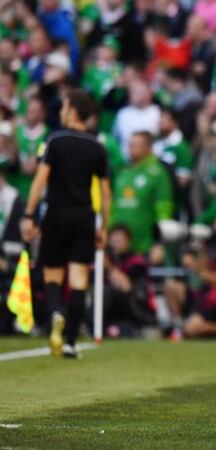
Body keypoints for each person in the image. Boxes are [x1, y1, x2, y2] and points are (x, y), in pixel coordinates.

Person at [19, 89, 111, 358]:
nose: (60, 112)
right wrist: (103, 226)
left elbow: (40, 180)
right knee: (80, 278)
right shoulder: (97, 147)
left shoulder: (55, 141)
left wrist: (28, 214)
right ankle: (71, 342)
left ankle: (57, 313)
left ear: (72, 111)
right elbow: (105, 193)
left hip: (57, 214)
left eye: (64, 107)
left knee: (52, 275)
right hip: (84, 216)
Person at [164, 210, 216, 343]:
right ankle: (180, 327)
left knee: (192, 328)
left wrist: (194, 266)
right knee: (171, 287)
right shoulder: (215, 246)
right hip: (205, 296)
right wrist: (201, 246)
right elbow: (204, 269)